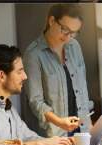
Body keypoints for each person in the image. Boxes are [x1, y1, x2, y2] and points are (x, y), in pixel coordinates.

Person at [0, 44, 72, 145]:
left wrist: (59, 142)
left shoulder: (8, 107)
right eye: (20, 71)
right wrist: (43, 143)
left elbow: (28, 136)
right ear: (1, 76)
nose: (25, 76)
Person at [23, 4, 94, 137]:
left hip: (82, 130)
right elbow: (36, 101)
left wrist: (89, 124)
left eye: (74, 33)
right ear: (51, 21)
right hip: (55, 134)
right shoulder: (33, 55)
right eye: (65, 29)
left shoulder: (74, 46)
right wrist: (60, 122)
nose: (68, 37)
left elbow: (83, 88)